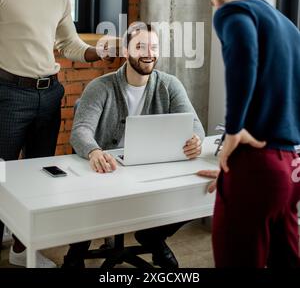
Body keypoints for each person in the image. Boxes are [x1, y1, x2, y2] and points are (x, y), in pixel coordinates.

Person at [0, 0, 116, 268]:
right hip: (8, 94)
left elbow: (70, 45)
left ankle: (22, 250)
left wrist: (100, 51)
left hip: (49, 94)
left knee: (39, 175)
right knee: (1, 172)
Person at [63, 22, 205, 269]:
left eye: (153, 47)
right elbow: (80, 131)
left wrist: (195, 140)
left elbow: (196, 126)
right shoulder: (101, 87)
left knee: (193, 192)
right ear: (126, 52)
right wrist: (94, 151)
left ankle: (153, 238)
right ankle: (76, 251)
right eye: (140, 47)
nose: (148, 53)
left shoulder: (170, 85)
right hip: (106, 171)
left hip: (149, 168)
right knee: (84, 199)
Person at [200, 0, 300, 268]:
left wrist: (233, 130)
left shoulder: (233, 12)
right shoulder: (289, 28)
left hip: (257, 164)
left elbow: (244, 56)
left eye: (213, 0)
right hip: (290, 167)